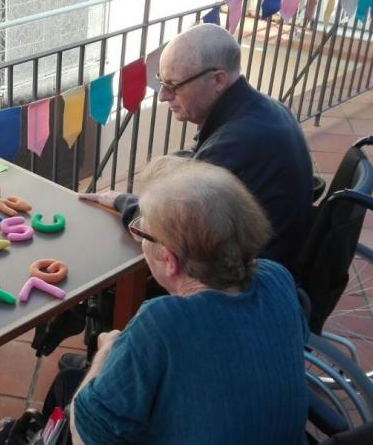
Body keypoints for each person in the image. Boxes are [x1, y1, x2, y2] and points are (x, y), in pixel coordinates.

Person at [49, 157, 309, 444]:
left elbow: (85, 436)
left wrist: (105, 354)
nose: (141, 240)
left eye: (142, 232)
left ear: (169, 260)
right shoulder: (277, 279)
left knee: (68, 388)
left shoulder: (161, 323)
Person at [84, 23, 313, 274]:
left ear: (218, 80)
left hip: (249, 281)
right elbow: (198, 160)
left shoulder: (235, 143)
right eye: (161, 82)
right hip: (277, 257)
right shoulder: (262, 109)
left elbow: (167, 224)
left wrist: (119, 201)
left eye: (173, 85)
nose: (162, 96)